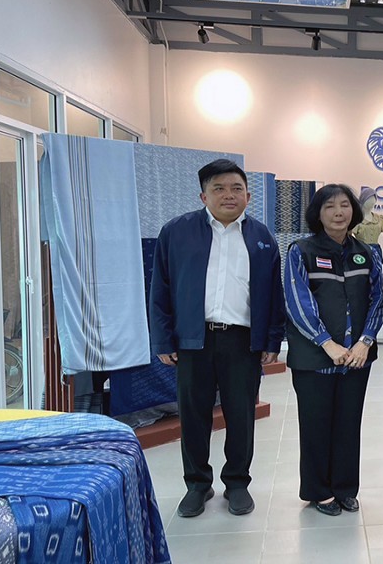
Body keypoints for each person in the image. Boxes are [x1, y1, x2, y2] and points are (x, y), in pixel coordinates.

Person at [150, 159, 285, 518]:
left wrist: (272, 340)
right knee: (194, 416)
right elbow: (160, 289)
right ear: (203, 196)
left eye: (237, 188)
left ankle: (237, 483)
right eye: (219, 189)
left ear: (248, 196)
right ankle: (197, 484)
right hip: (193, 340)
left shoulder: (261, 238)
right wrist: (163, 340)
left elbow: (274, 295)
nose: (229, 195)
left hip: (242, 341)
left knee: (241, 415)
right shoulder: (176, 232)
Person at [283, 184, 383, 516]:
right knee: (316, 425)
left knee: (348, 424)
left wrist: (365, 341)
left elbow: (379, 298)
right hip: (315, 358)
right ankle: (318, 491)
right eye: (329, 206)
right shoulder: (301, 250)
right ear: (318, 213)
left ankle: (344, 488)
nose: (338, 212)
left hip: (357, 358)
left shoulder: (368, 252)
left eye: (344, 205)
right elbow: (298, 301)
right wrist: (327, 343)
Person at [351, 187, 383, 254]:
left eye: (373, 199)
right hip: (360, 252)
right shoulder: (356, 219)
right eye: (369, 199)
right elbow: (348, 240)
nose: (372, 202)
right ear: (363, 200)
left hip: (376, 253)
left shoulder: (379, 218)